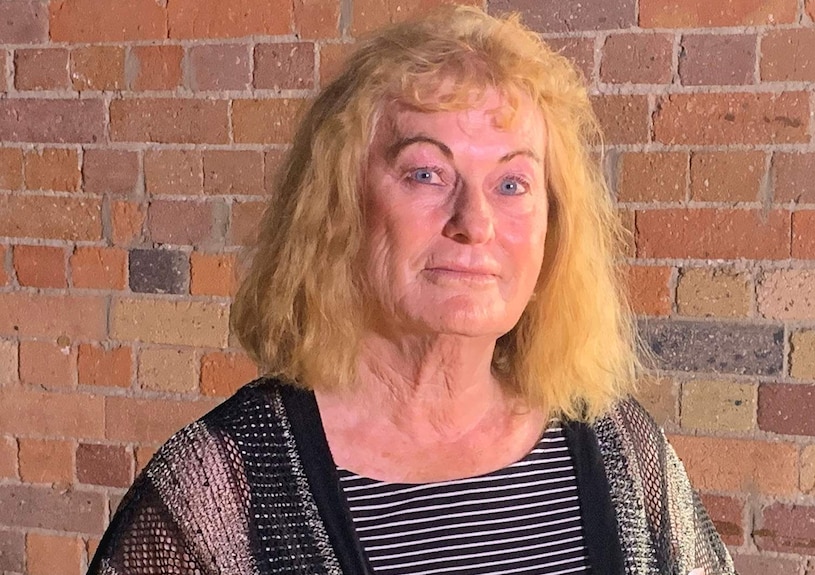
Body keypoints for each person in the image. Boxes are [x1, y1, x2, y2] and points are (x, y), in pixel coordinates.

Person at [87, 6, 736, 575]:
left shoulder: (623, 454)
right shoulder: (219, 494)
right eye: (427, 172)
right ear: (338, 208)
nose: (474, 222)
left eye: (512, 184)